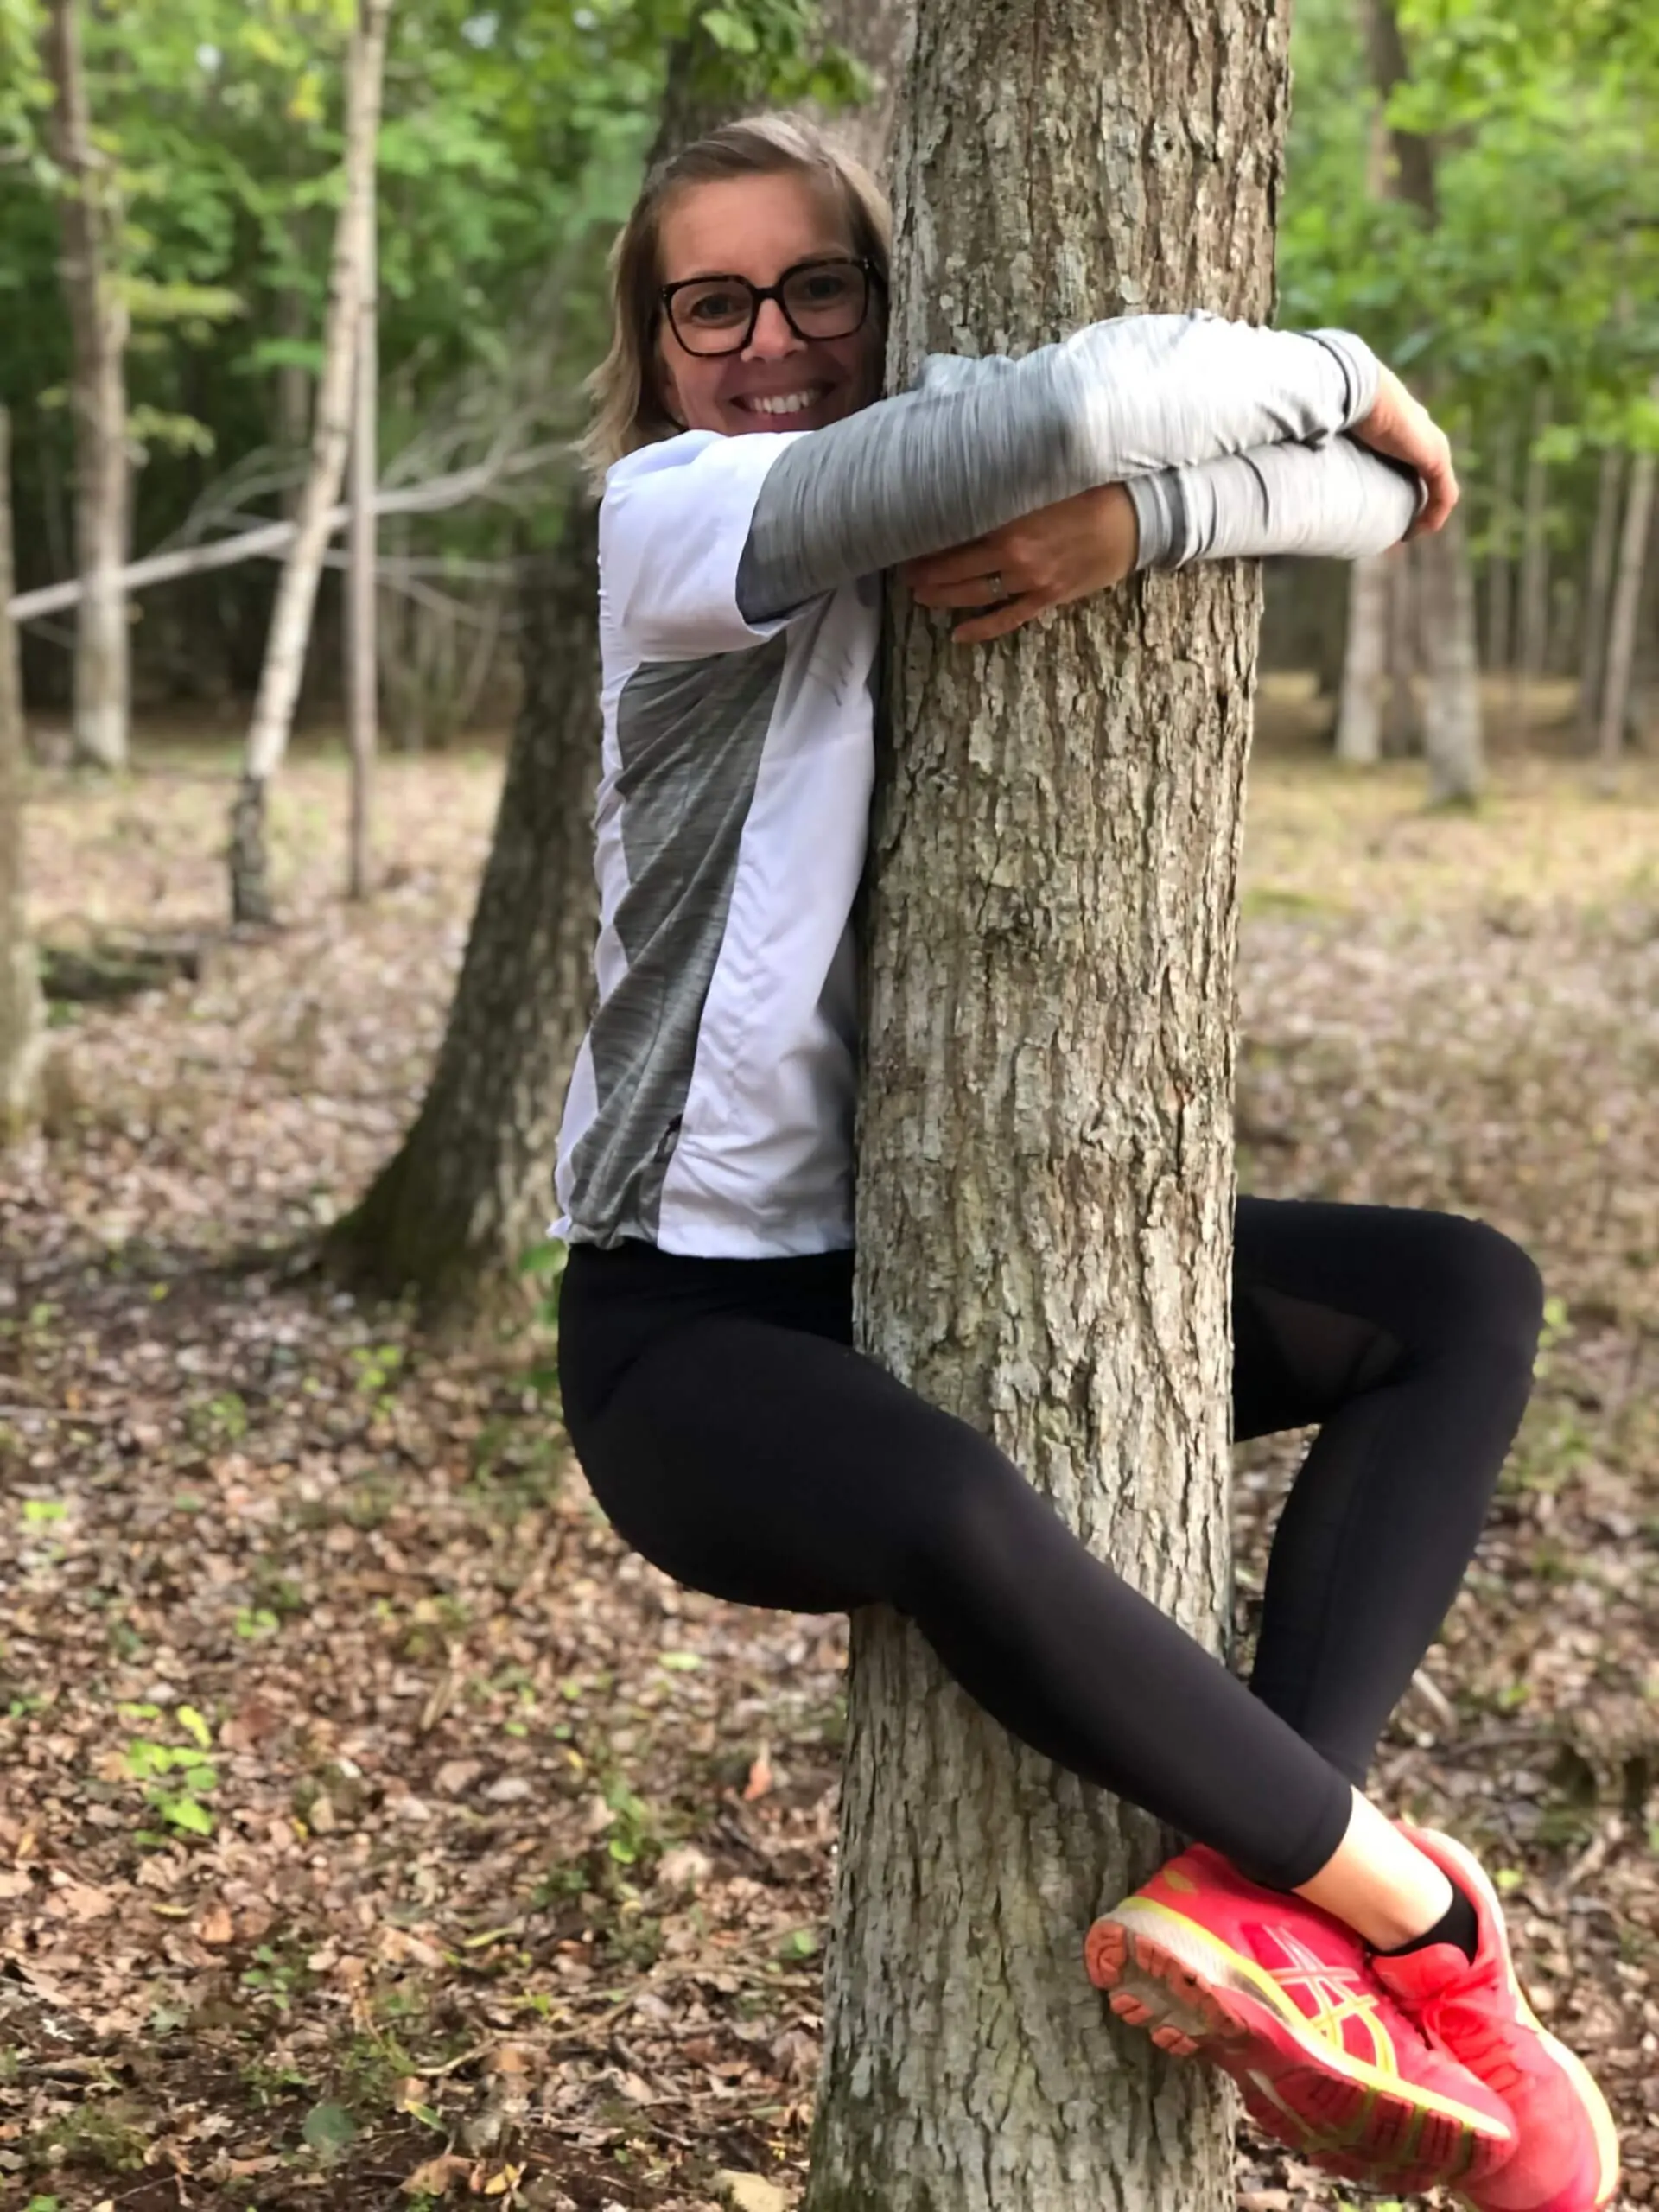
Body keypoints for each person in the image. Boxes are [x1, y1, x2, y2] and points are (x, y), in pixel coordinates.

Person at [550, 111, 1619, 2212]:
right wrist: (1337, 363)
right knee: (956, 1499)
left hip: (898, 1251)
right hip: (684, 1325)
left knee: (1459, 1294)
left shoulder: (925, 448)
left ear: (889, 295)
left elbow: (1372, 505)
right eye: (711, 306)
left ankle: (1259, 1901)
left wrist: (1135, 526)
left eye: (819, 286)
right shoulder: (674, 513)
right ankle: (1424, 1928)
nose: (770, 342)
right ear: (657, 354)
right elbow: (1103, 410)